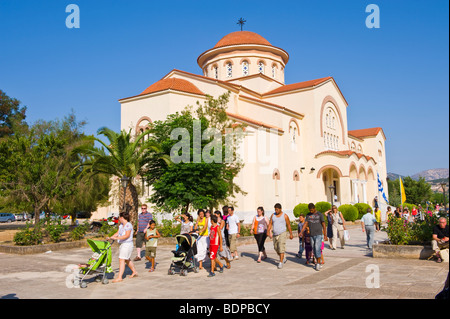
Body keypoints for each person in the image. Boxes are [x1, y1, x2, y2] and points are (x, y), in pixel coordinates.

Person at [108, 211, 138, 282]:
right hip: (122, 244)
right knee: (126, 259)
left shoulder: (128, 225)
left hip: (127, 244)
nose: (118, 219)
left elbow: (127, 235)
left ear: (121, 217)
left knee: (121, 259)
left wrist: (117, 238)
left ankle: (120, 277)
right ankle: (134, 272)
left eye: (119, 217)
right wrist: (110, 237)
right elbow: (118, 233)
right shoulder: (121, 225)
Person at [300, 203, 327, 271]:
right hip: (311, 235)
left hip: (318, 234)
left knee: (317, 248)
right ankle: (318, 261)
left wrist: (325, 235)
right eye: (310, 210)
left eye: (312, 210)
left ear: (314, 208)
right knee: (314, 249)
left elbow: (323, 224)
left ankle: (318, 263)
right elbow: (305, 223)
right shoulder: (308, 215)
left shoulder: (320, 214)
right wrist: (301, 231)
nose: (311, 211)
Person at [267, 203, 294, 269]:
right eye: (275, 209)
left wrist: (291, 234)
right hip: (275, 234)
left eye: (277, 209)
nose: (276, 211)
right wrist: (268, 231)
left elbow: (288, 225)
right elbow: (270, 224)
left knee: (281, 247)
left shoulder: (285, 216)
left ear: (280, 209)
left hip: (282, 233)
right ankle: (283, 257)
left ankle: (281, 262)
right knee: (276, 248)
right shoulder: (273, 215)